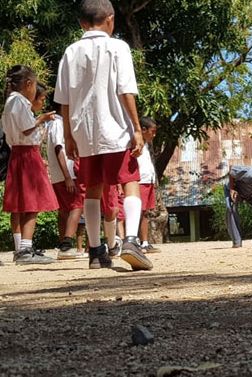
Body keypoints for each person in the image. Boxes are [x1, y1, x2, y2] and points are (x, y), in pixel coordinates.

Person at [54, 0, 152, 270]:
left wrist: (69, 135)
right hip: (115, 129)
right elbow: (125, 90)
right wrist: (136, 127)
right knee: (130, 180)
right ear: (110, 19)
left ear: (81, 23)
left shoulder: (70, 52)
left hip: (83, 131)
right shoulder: (118, 46)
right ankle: (131, 240)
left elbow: (64, 99)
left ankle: (96, 251)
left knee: (93, 189)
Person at [2, 68, 57, 264]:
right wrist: (42, 119)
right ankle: (25, 249)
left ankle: (21, 248)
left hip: (18, 153)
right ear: (28, 84)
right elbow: (26, 129)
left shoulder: (11, 102)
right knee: (32, 202)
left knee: (20, 203)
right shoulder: (18, 102)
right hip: (26, 154)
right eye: (34, 85)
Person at [46, 97, 85, 260]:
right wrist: (68, 177)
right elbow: (58, 148)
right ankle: (67, 243)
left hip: (58, 174)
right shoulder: (58, 123)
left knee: (64, 210)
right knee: (77, 206)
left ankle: (63, 246)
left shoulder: (53, 124)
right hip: (67, 172)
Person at [137, 116, 160, 253]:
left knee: (145, 212)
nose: (154, 134)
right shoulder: (134, 143)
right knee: (136, 212)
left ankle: (144, 242)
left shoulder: (146, 145)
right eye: (153, 131)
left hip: (148, 180)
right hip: (139, 181)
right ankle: (132, 240)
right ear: (143, 129)